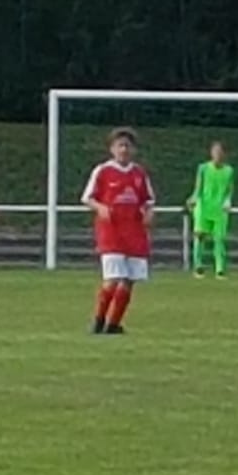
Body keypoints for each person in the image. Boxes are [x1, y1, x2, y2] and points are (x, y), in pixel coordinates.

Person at [83, 127, 155, 334]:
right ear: (112, 149)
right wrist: (100, 208)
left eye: (127, 146)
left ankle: (113, 324)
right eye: (120, 145)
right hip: (111, 234)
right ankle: (98, 320)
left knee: (129, 281)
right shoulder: (103, 171)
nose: (124, 149)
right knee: (112, 279)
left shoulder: (139, 173)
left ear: (134, 150)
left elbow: (148, 200)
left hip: (135, 234)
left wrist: (149, 213)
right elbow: (87, 198)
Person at [188, 141, 235, 278]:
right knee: (199, 236)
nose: (217, 155)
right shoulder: (203, 168)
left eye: (220, 152)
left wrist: (228, 201)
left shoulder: (229, 171)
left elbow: (230, 189)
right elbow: (198, 187)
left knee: (219, 239)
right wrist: (194, 198)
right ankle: (198, 267)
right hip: (203, 207)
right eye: (215, 152)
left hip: (219, 209)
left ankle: (220, 269)